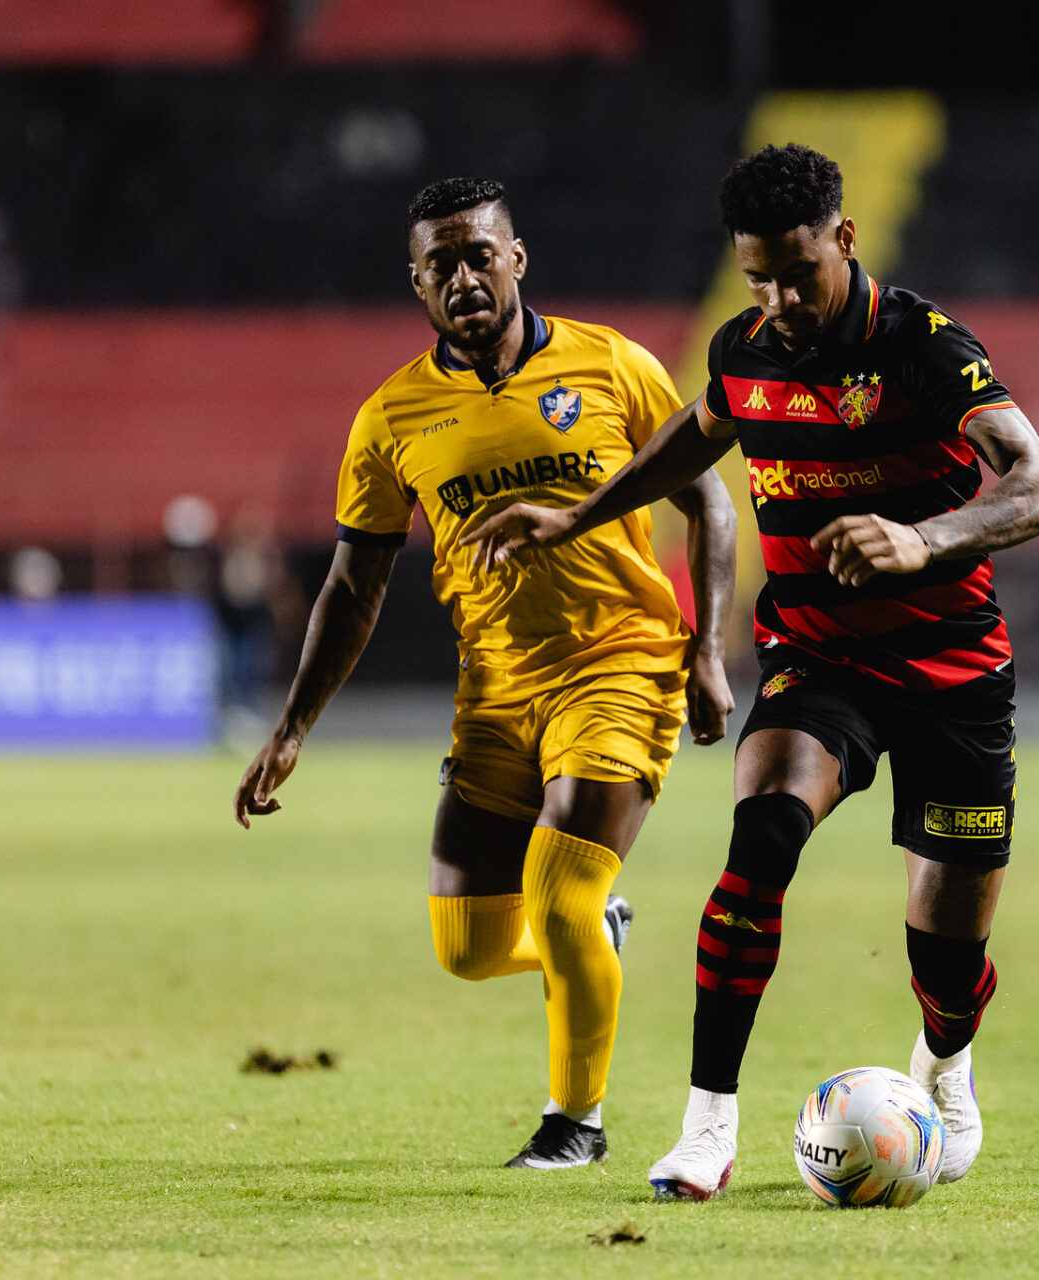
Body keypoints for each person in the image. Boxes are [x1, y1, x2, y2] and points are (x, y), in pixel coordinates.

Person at [460, 143, 1039, 1198]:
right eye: (758, 278)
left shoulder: (923, 344)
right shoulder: (745, 349)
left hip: (952, 668)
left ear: (845, 239)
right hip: (818, 657)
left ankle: (946, 1058)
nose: (780, 299)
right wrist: (576, 515)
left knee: (946, 957)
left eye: (798, 273)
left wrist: (924, 538)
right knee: (762, 837)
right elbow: (692, 440)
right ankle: (707, 1124)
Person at [232, 177, 736, 1167]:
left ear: (516, 259)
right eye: (441, 264)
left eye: (478, 255)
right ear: (417, 283)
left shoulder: (611, 363)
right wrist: (291, 727)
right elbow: (354, 585)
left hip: (621, 662)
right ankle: (595, 934)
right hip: (495, 692)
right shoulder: (392, 417)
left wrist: (709, 648)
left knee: (558, 889)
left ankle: (576, 1124)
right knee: (466, 947)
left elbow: (709, 502)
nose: (463, 277)